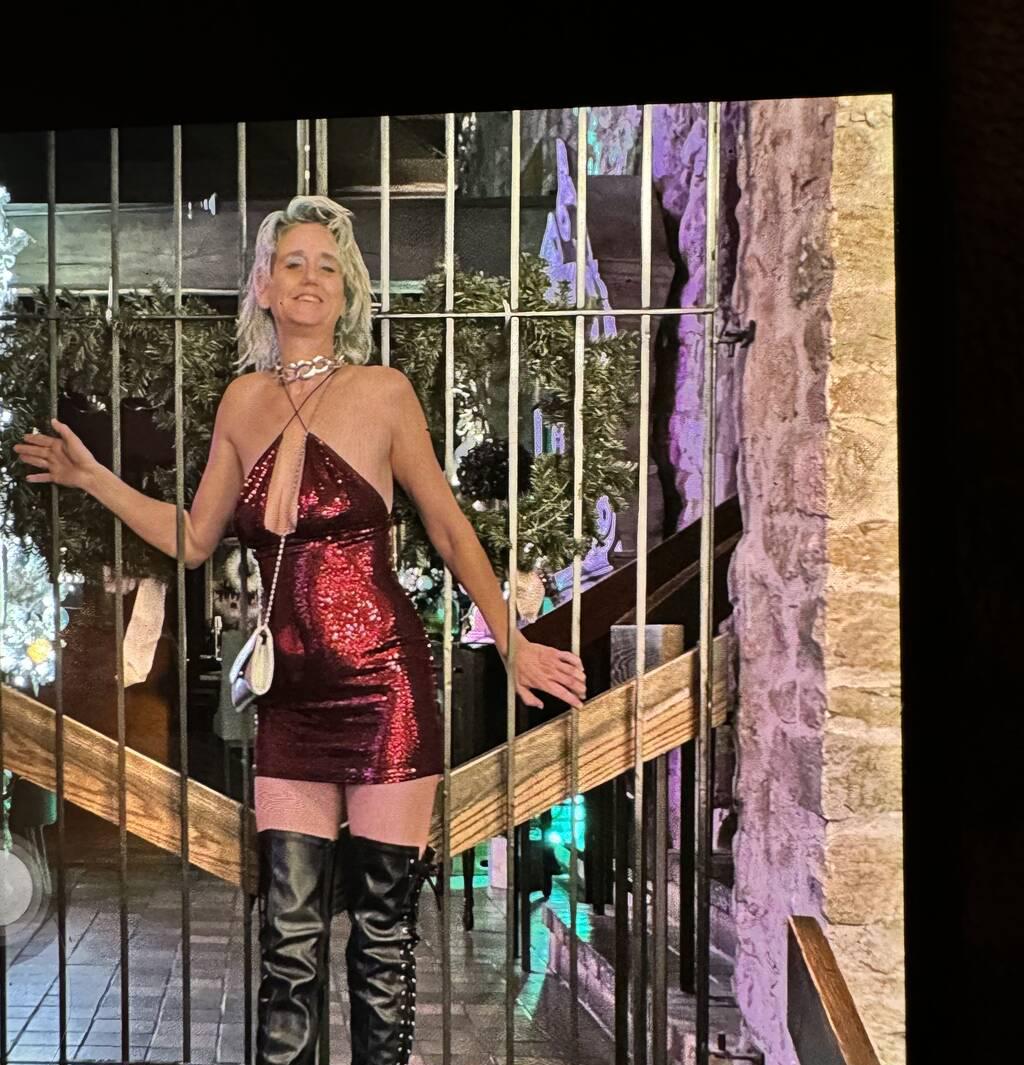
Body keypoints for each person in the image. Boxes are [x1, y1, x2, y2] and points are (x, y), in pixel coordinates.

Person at [13, 195, 588, 1065]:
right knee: (287, 943)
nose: (311, 277)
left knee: (383, 941)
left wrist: (512, 639)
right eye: (294, 263)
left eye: (327, 265)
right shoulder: (242, 402)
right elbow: (193, 538)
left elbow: (448, 526)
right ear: (265, 286)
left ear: (346, 290)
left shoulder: (384, 393)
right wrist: (93, 477)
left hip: (385, 686)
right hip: (290, 701)